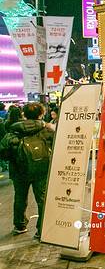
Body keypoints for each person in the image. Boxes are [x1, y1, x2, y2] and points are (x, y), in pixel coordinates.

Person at [0, 102, 54, 239]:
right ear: (41, 114)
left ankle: (20, 225)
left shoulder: (14, 129)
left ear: (24, 114)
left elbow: (3, 150)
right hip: (41, 169)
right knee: (42, 199)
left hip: (19, 170)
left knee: (20, 197)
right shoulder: (47, 129)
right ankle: (41, 229)